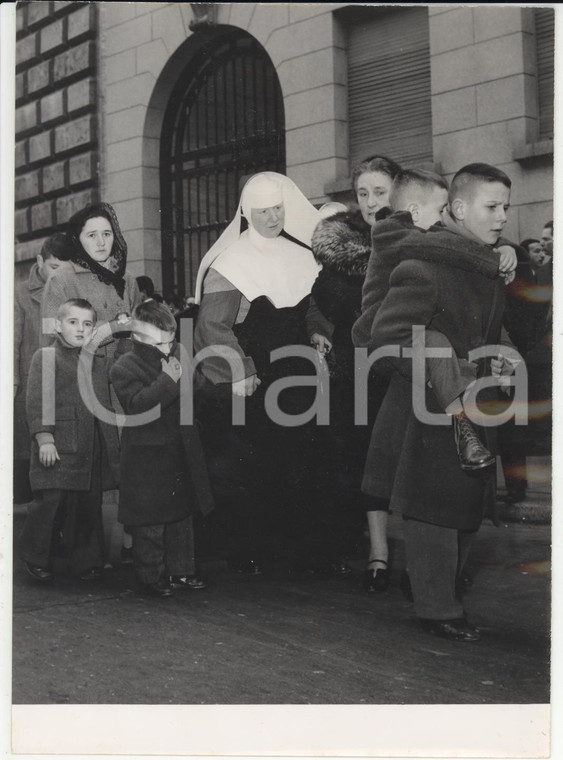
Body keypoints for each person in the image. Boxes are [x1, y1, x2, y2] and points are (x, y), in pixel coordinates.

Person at [354, 163, 518, 641]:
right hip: (429, 403)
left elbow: (489, 327)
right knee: (433, 509)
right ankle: (437, 607)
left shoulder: (481, 264)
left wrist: (501, 356)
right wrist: (448, 369)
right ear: (460, 208)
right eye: (493, 207)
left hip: (474, 401)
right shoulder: (422, 264)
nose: (502, 217)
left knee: (466, 505)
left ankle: (435, 589)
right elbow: (385, 336)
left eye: (506, 207)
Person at [193, 171, 334, 574]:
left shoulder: (301, 253)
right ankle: (254, 552)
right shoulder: (231, 261)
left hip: (299, 371)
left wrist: (319, 333)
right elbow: (212, 325)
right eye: (263, 211)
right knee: (255, 464)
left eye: (277, 209)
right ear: (246, 213)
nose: (272, 218)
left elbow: (312, 308)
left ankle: (300, 551)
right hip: (257, 377)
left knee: (302, 459)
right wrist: (240, 370)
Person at [41, 202, 142, 565]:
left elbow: (135, 337)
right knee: (84, 472)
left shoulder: (126, 280)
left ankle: (129, 547)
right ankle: (82, 554)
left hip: (119, 386)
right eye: (91, 235)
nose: (100, 242)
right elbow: (49, 339)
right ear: (78, 238)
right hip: (79, 384)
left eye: (106, 234)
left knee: (123, 465)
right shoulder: (63, 279)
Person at [110, 299, 214, 597]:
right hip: (148, 453)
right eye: (161, 342)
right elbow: (138, 405)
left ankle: (183, 571)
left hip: (180, 444)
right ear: (138, 336)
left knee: (182, 514)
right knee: (150, 519)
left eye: (172, 340)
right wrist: (169, 378)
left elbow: (196, 386)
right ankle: (150, 576)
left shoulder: (178, 351)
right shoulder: (124, 366)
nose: (168, 347)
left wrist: (200, 380)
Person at [19, 299, 120, 582]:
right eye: (73, 322)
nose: (80, 329)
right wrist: (44, 437)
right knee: (50, 501)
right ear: (58, 326)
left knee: (87, 505)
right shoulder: (47, 356)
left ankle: (86, 561)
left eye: (87, 324)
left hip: (90, 446)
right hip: (58, 445)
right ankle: (35, 556)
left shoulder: (97, 361)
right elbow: (38, 400)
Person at [14, 233, 69, 505]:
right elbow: (11, 341)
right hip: (29, 383)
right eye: (54, 267)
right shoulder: (19, 293)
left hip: (62, 384)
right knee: (29, 456)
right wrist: (12, 381)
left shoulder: (70, 290)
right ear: (39, 261)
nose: (60, 275)